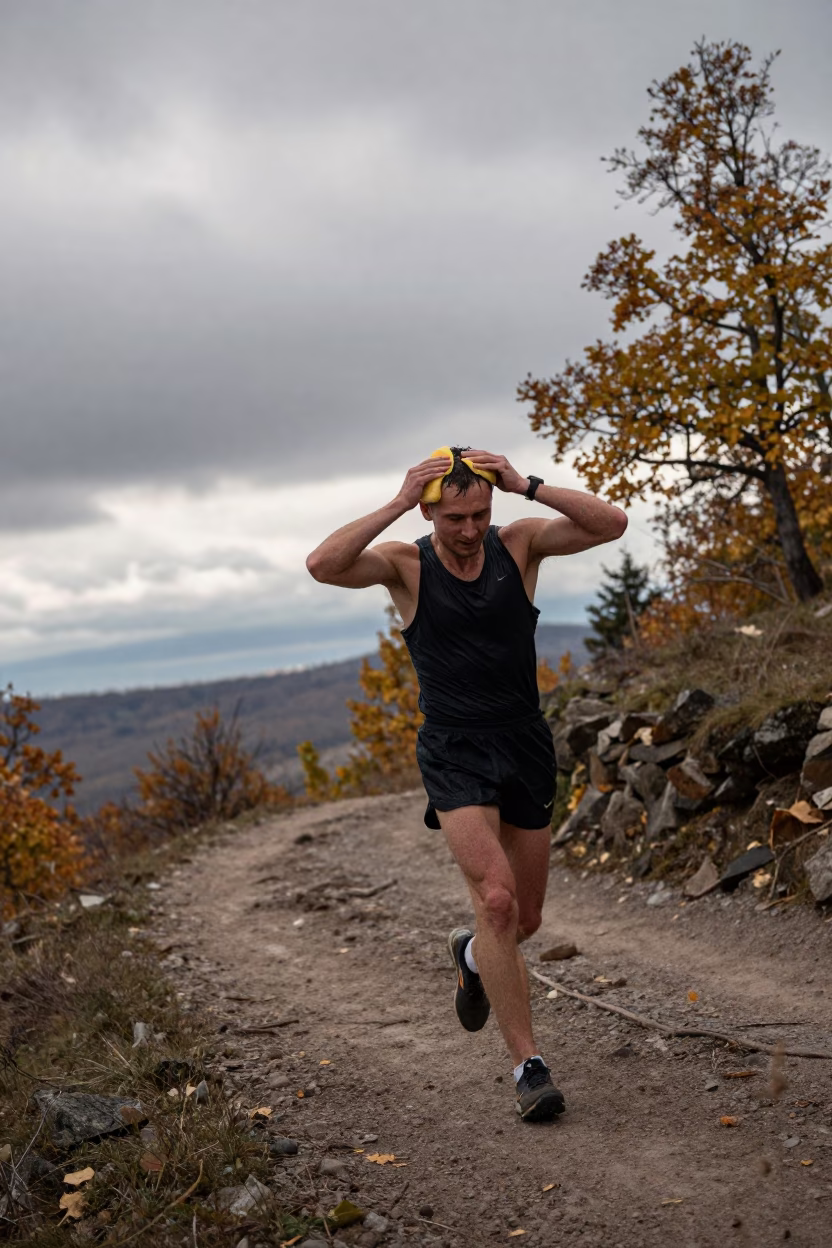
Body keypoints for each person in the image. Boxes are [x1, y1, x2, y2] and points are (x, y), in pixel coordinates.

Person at [306, 447, 627, 1121]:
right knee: (500, 900)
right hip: (454, 750)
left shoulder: (520, 544)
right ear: (431, 510)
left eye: (480, 513)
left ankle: (474, 959)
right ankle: (528, 1066)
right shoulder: (405, 564)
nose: (469, 529)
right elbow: (323, 564)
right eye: (455, 517)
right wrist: (397, 501)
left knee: (526, 919)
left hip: (524, 742)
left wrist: (526, 485)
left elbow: (611, 525)